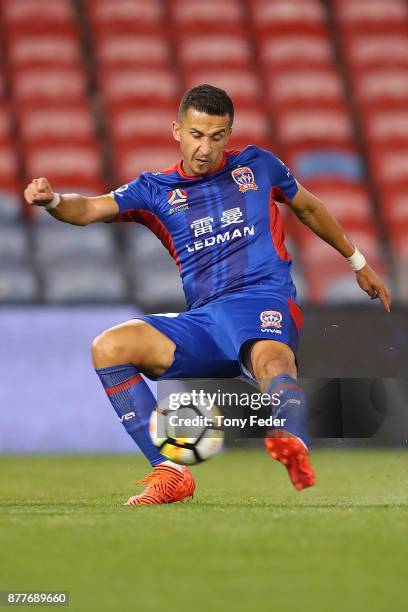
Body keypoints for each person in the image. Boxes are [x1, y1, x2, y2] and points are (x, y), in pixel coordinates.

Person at [24, 84, 391, 506]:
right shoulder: (154, 190)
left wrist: (358, 262)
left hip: (261, 298)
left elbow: (308, 207)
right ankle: (170, 472)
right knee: (109, 347)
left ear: (229, 134)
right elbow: (87, 209)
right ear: (177, 130)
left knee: (272, 358)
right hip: (205, 320)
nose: (205, 148)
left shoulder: (258, 166)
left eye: (217, 137)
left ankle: (293, 443)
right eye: (197, 135)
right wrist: (53, 200)